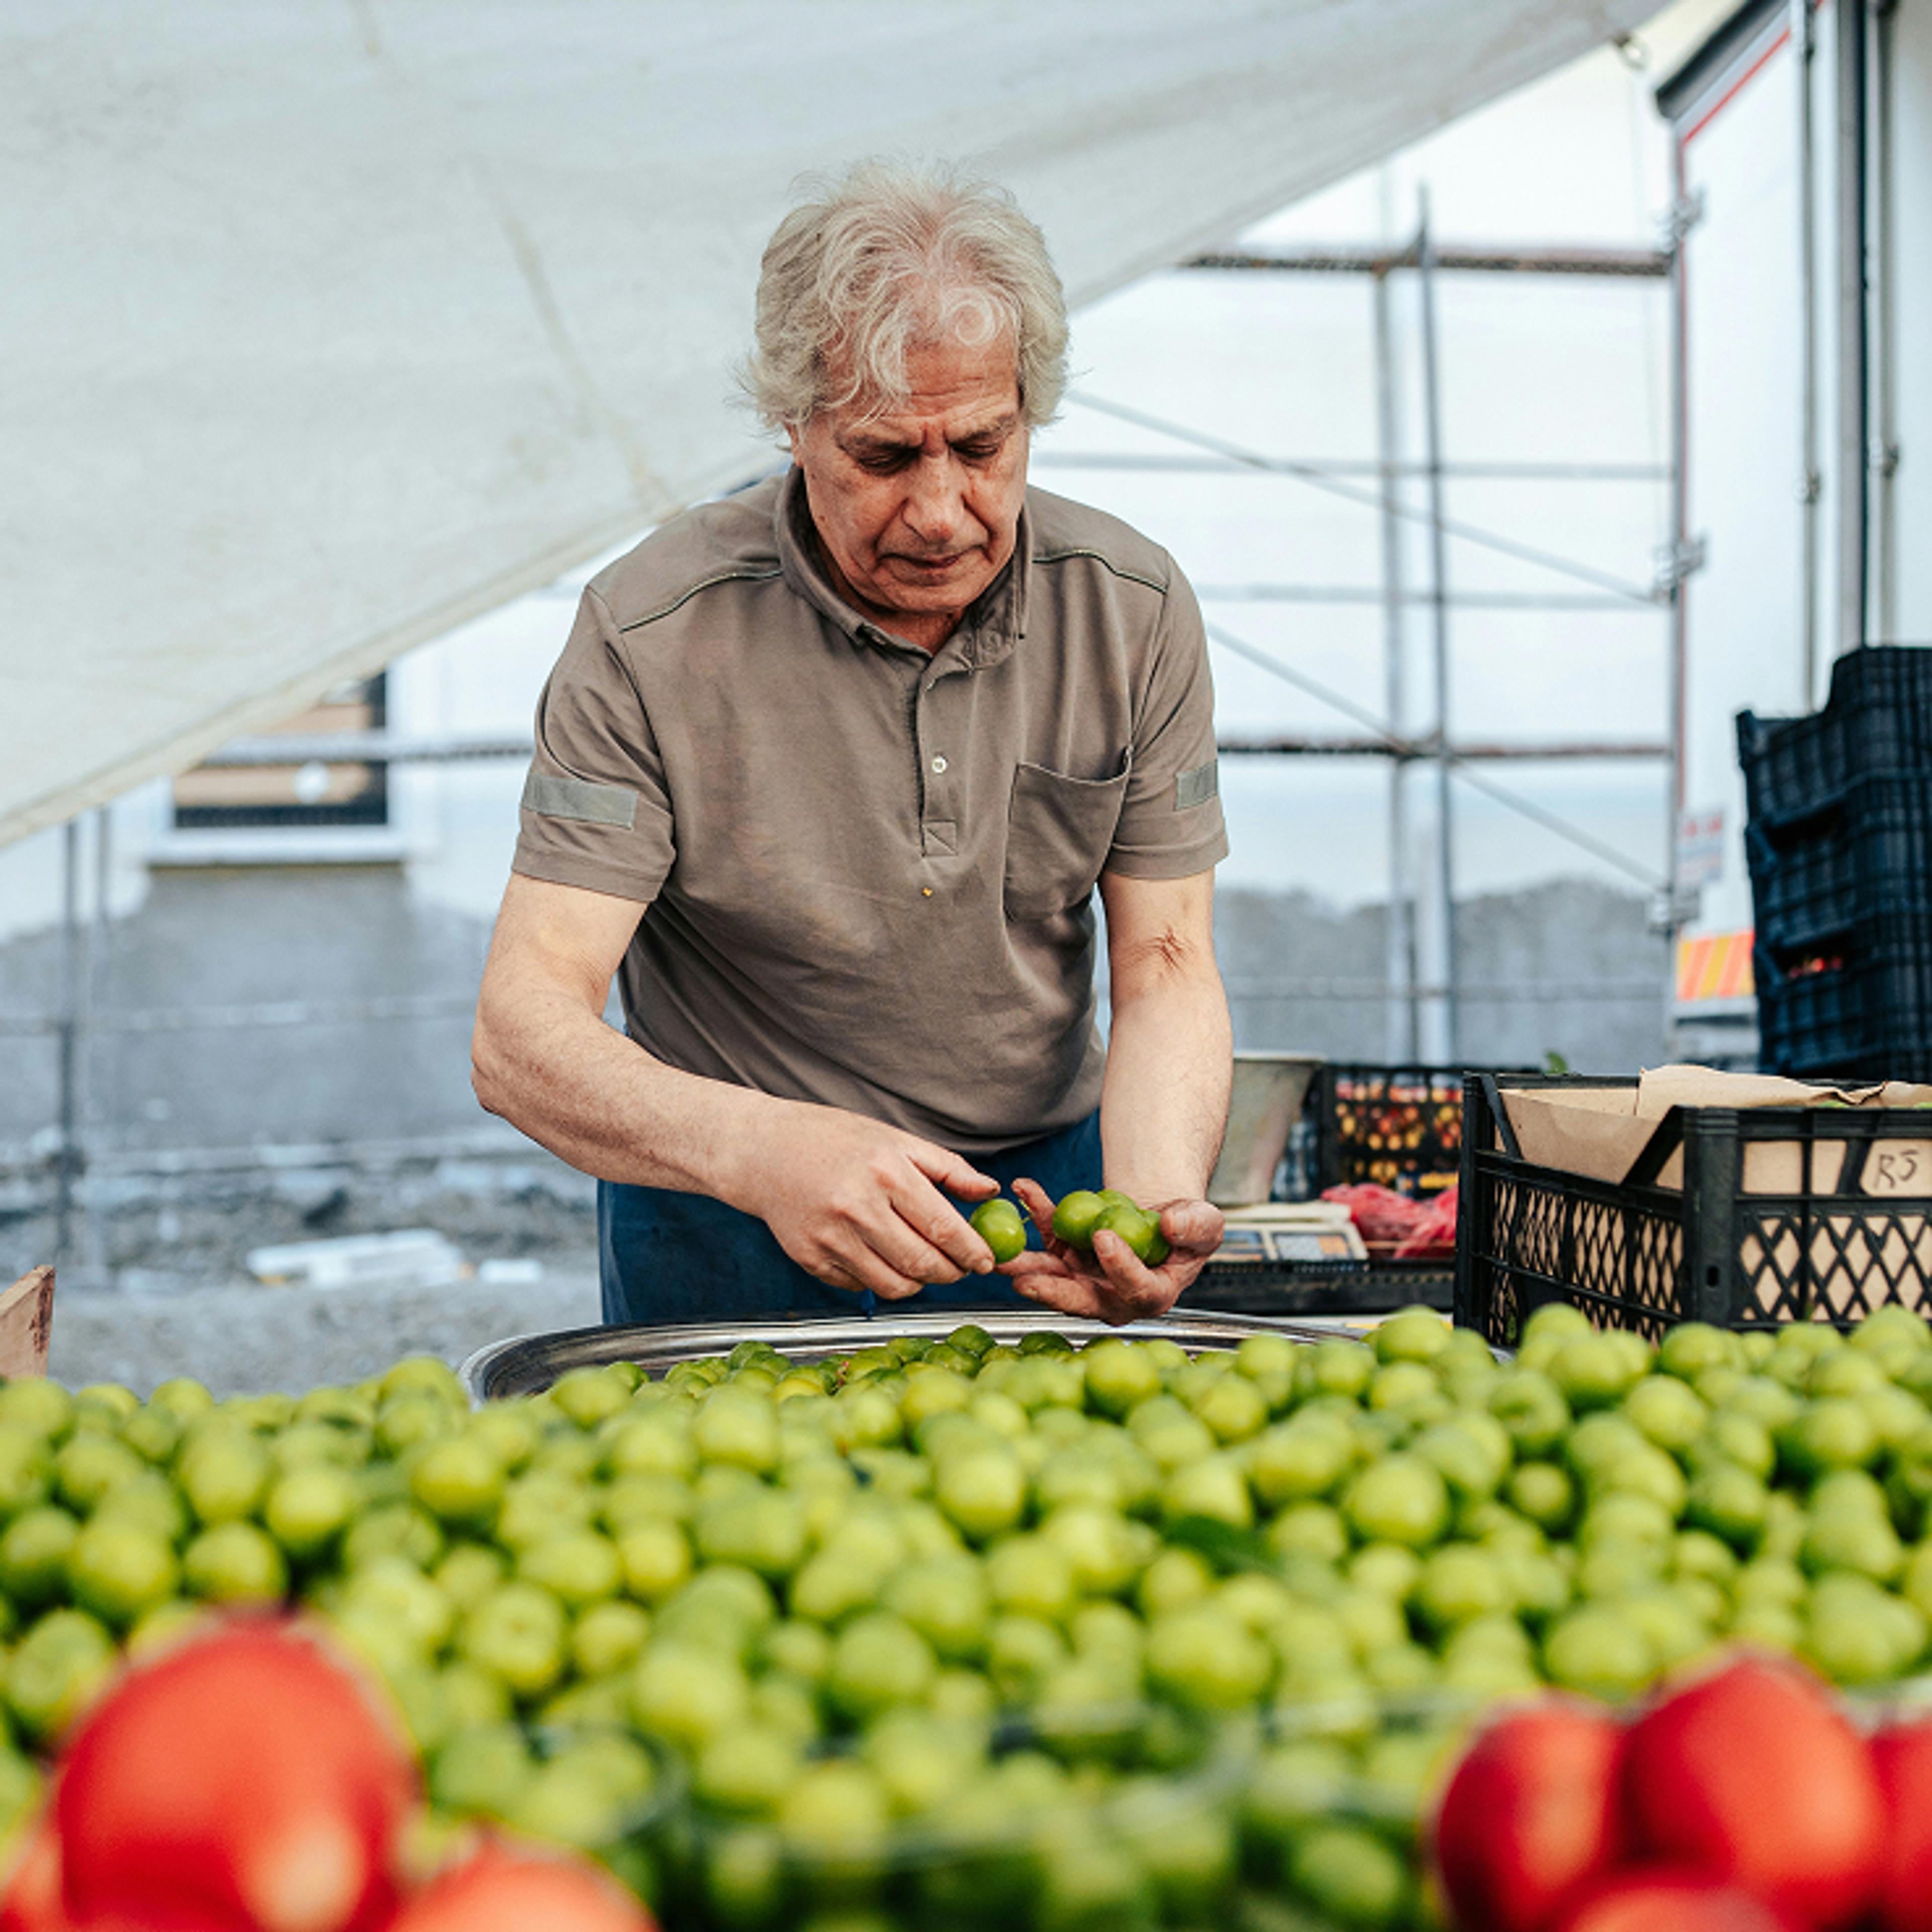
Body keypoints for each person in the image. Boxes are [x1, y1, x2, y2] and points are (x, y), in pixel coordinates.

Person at [472, 160, 1232, 1329]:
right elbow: (522, 1032)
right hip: (727, 1209)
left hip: (1043, 1203)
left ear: (1031, 409)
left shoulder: (1129, 610)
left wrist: (1152, 1199)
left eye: (980, 448)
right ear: (791, 422)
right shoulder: (649, 632)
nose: (939, 510)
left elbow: (1167, 962)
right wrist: (758, 1150)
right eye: (883, 457)